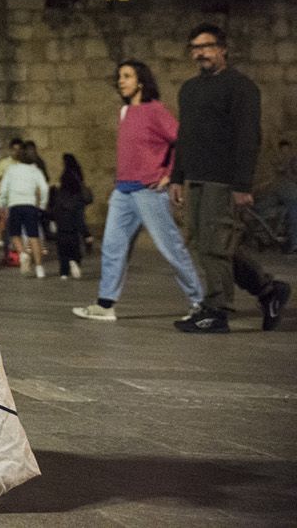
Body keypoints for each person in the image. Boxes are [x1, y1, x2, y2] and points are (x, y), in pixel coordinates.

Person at [169, 25, 290, 333]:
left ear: (222, 48)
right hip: (195, 177)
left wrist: (241, 184)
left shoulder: (241, 87)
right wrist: (177, 177)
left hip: (222, 181)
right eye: (194, 47)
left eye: (207, 46)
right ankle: (268, 290)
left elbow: (249, 138)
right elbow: (185, 136)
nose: (200, 53)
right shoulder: (190, 89)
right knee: (208, 243)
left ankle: (216, 310)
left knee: (216, 245)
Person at [74, 59, 205, 321]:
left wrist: (169, 175)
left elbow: (183, 141)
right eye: (120, 76)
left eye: (127, 76)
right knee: (112, 247)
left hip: (149, 191)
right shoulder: (125, 112)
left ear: (141, 81)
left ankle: (200, 301)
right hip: (123, 191)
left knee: (171, 248)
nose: (121, 81)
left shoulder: (155, 110)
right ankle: (105, 304)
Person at [0, 148, 49, 278]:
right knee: (34, 236)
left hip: (15, 204)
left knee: (15, 234)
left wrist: (1, 204)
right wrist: (42, 204)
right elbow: (44, 188)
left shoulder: (11, 170)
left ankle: (22, 253)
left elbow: (3, 189)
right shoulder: (35, 170)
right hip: (30, 205)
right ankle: (39, 268)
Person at [47, 155, 92, 278]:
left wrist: (51, 220)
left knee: (62, 249)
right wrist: (86, 234)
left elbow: (53, 211)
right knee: (74, 246)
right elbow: (80, 220)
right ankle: (74, 261)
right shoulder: (77, 178)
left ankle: (64, 273)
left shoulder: (60, 196)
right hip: (73, 227)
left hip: (62, 226)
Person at [274, 139, 297, 254]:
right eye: (283, 150)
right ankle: (294, 242)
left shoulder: (292, 160)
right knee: (293, 215)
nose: (285, 152)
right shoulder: (281, 161)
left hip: (289, 192)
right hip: (288, 192)